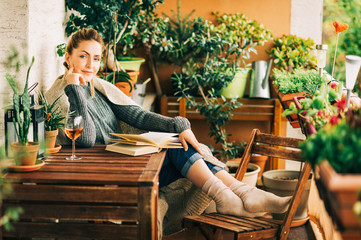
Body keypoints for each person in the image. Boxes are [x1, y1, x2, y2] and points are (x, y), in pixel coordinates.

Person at [45, 28, 291, 220]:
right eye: (83, 57)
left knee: (179, 143)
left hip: (125, 164)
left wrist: (179, 124)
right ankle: (237, 194)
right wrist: (74, 87)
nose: (91, 65)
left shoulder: (100, 87)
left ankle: (240, 194)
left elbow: (138, 116)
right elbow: (85, 140)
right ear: (68, 57)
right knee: (178, 150)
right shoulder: (58, 95)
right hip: (108, 178)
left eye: (96, 58)